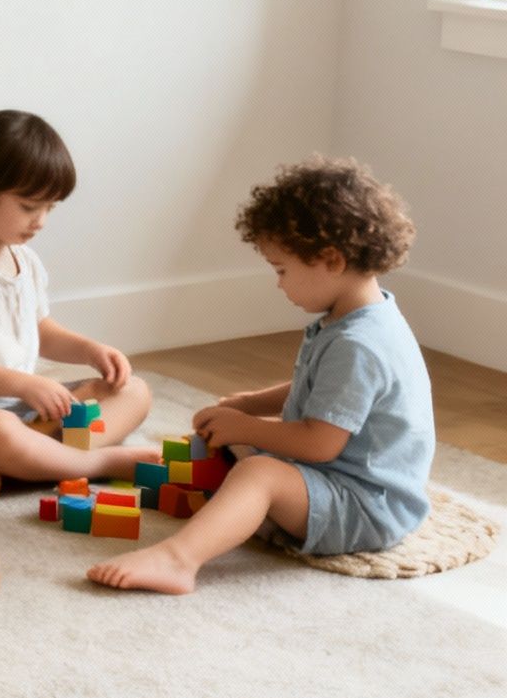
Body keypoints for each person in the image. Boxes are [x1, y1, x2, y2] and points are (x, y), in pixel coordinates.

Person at [90, 156, 433, 594]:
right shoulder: (355, 317)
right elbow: (327, 390)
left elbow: (320, 442)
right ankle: (202, 500)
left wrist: (250, 425)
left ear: (329, 259)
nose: (278, 284)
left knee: (260, 473)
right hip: (332, 479)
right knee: (219, 439)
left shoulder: (360, 343)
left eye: (282, 270)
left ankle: (178, 560)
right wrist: (253, 405)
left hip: (364, 505)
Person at [0, 110, 155, 500]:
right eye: (29, 206)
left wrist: (90, 351)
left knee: (133, 391)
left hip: (23, 410)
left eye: (50, 207)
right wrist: (26, 383)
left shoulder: (24, 259)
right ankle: (99, 463)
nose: (41, 221)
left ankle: (25, 465)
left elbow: (41, 330)